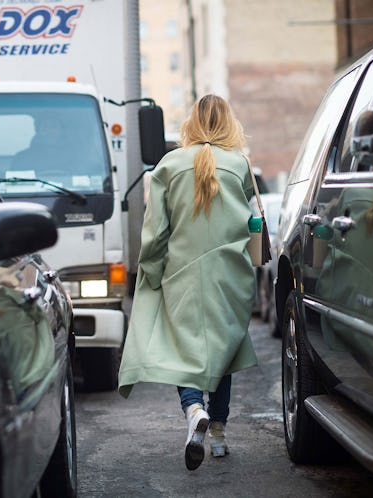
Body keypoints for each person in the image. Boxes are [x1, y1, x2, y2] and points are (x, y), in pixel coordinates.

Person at [117, 94, 258, 471]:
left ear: (191, 123)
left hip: (181, 272)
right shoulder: (240, 166)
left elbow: (155, 232)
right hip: (231, 274)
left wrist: (150, 269)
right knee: (223, 351)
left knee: (186, 349)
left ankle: (193, 408)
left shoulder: (168, 165)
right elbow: (254, 223)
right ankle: (219, 436)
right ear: (229, 123)